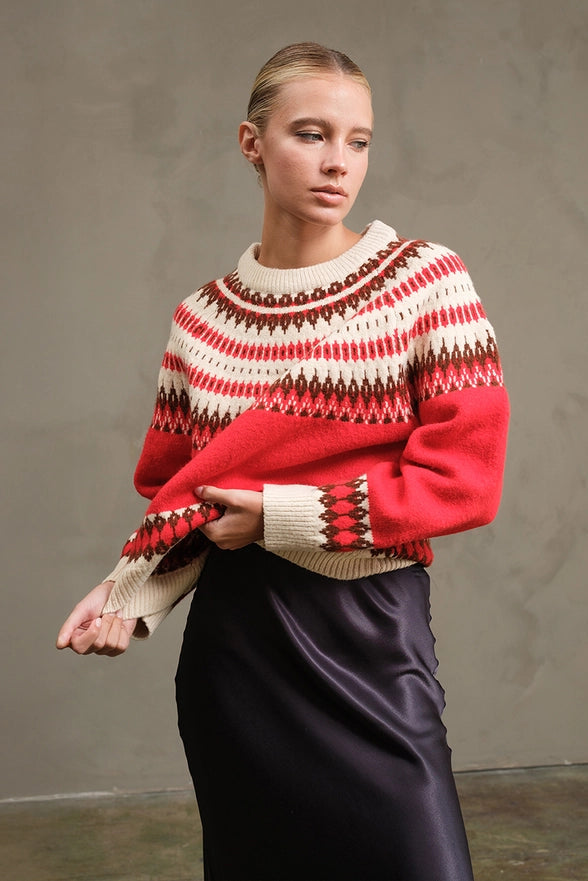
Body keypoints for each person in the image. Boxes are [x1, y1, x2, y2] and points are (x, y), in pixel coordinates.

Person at [57, 42, 509, 881]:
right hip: (239, 651)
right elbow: (178, 493)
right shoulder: (200, 319)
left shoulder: (426, 281)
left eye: (359, 140)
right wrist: (130, 591)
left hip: (371, 632)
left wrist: (285, 513)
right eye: (311, 133)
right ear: (251, 142)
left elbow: (466, 480)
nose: (340, 162)